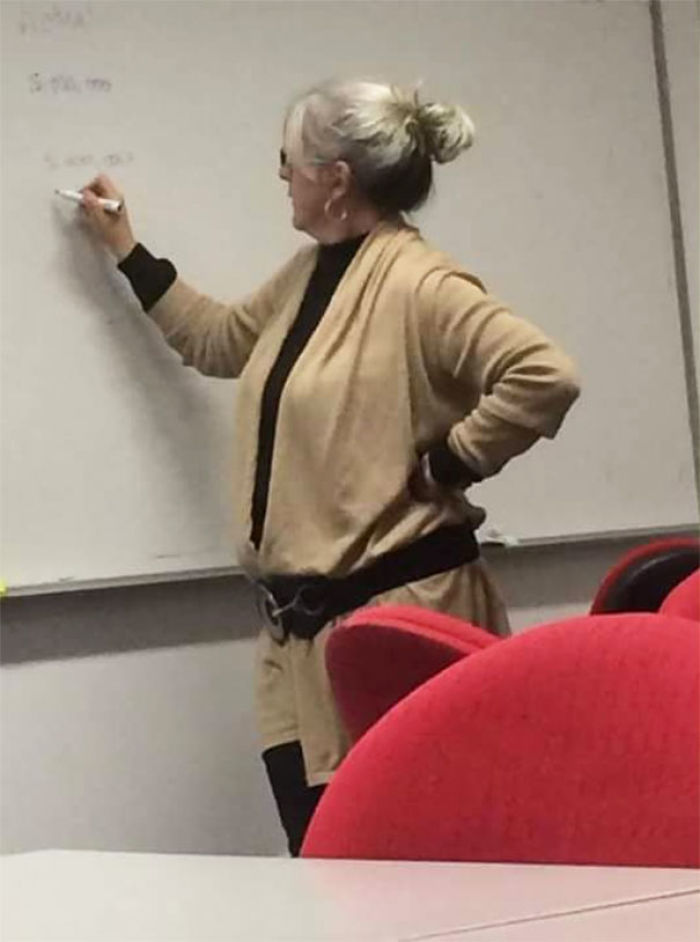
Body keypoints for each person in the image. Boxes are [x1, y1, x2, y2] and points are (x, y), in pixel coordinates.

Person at [78, 79, 580, 855]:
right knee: (324, 876)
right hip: (295, 644)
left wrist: (453, 459)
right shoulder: (312, 273)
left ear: (335, 176)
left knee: (419, 881)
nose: (282, 175)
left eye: (289, 161)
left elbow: (544, 375)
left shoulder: (421, 284)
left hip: (392, 630)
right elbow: (218, 341)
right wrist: (127, 251)